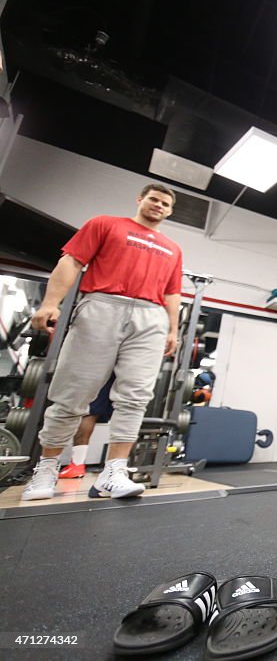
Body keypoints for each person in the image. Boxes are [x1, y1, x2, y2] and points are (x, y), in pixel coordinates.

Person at [22, 184, 182, 501]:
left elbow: (172, 292)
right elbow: (71, 262)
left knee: (136, 396)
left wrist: (173, 329)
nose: (159, 206)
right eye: (154, 199)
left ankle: (114, 471)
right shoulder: (105, 223)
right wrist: (51, 303)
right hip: (102, 306)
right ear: (140, 199)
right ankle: (47, 469)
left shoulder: (173, 248)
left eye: (165, 204)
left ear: (170, 211)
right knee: (72, 392)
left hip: (151, 317)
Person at [57, 373, 115, 479]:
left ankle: (77, 465)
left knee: (89, 412)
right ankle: (117, 467)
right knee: (126, 410)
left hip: (102, 367)